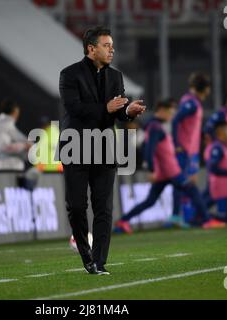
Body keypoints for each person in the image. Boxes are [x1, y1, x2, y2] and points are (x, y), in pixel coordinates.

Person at [59, 26, 146, 275]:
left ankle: (99, 262)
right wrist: (106, 108)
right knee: (76, 206)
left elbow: (117, 110)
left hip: (105, 148)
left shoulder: (116, 76)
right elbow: (74, 109)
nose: (112, 50)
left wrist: (127, 111)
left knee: (104, 208)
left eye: (112, 45)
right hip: (76, 146)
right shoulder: (69, 74)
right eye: (106, 45)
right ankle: (86, 254)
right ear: (91, 49)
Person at [114, 99, 225, 234]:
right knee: (192, 189)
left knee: (150, 201)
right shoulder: (154, 126)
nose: (171, 115)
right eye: (170, 112)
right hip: (170, 170)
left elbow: (157, 147)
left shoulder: (155, 125)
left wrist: (172, 151)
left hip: (164, 172)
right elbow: (149, 149)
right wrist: (151, 170)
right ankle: (207, 220)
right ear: (162, 110)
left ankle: (123, 221)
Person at [169, 72, 211, 228]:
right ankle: (176, 216)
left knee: (189, 183)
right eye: (208, 88)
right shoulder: (191, 103)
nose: (209, 91)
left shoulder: (195, 102)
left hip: (191, 151)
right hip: (184, 150)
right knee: (183, 183)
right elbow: (175, 120)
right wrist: (176, 144)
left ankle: (186, 217)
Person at [0, 99, 32, 171]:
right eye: (17, 112)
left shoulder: (6, 125)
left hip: (11, 165)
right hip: (9, 166)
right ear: (15, 112)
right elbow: (4, 147)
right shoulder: (3, 125)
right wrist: (24, 146)